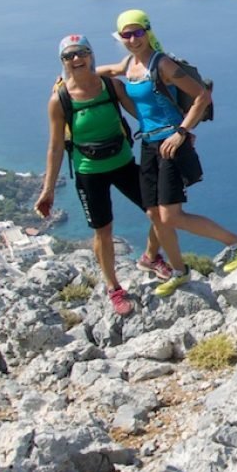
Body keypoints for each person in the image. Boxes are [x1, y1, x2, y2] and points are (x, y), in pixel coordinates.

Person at [97, 9, 237, 296]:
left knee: (171, 216)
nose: (133, 39)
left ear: (148, 32)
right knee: (155, 216)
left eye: (138, 32)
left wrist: (181, 132)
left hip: (172, 144)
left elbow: (202, 96)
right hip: (148, 146)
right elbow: (107, 71)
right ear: (120, 38)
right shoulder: (129, 64)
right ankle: (179, 270)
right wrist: (70, 76)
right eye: (126, 34)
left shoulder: (163, 64)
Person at [34, 34, 179, 316]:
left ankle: (150, 257)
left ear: (91, 55)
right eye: (69, 56)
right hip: (89, 172)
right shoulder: (60, 100)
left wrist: (179, 130)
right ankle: (114, 288)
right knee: (104, 230)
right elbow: (54, 147)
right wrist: (48, 188)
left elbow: (143, 116)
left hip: (122, 162)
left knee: (160, 211)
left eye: (82, 53)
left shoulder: (111, 86)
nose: (76, 59)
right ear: (62, 62)